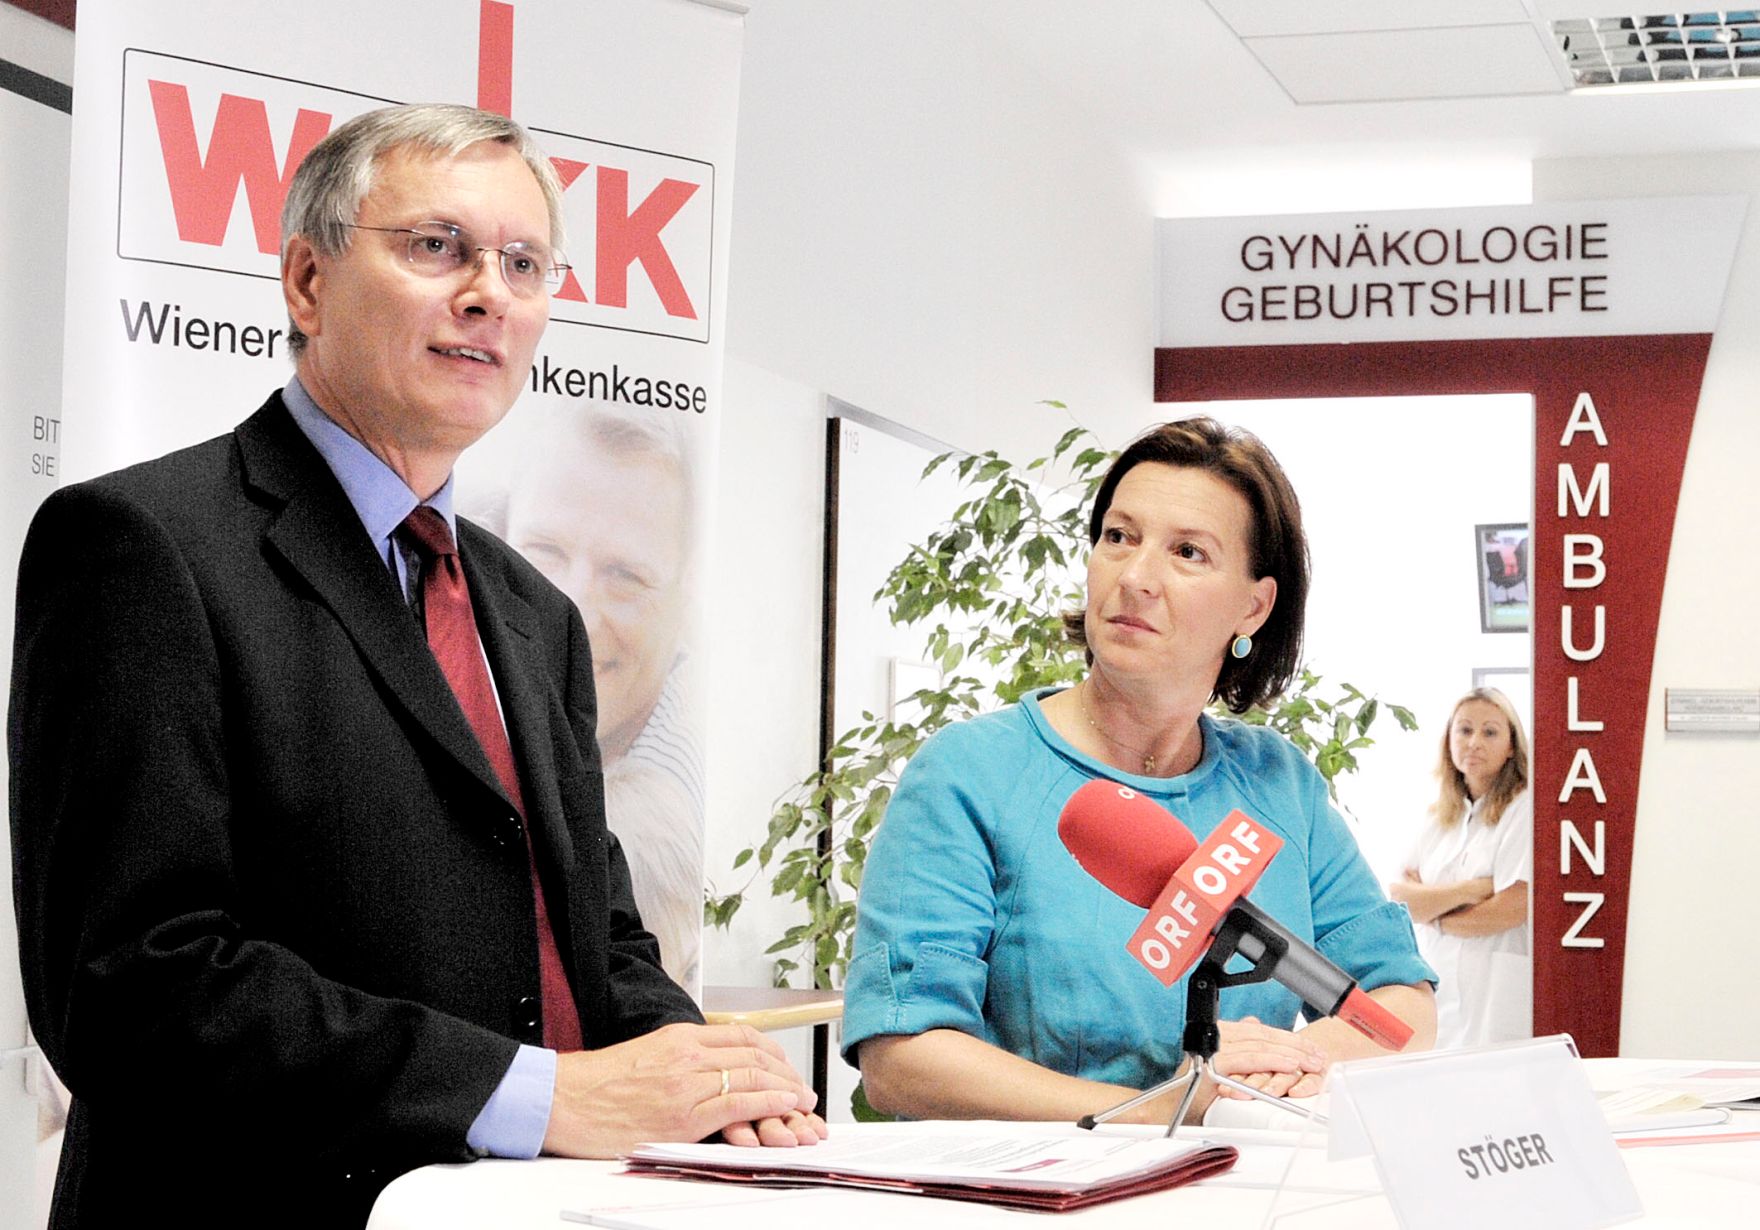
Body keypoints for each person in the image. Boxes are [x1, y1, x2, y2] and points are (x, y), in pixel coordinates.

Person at [8, 104, 820, 1230]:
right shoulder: (141, 548)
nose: (488, 292)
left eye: (523, 263)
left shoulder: (535, 613)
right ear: (306, 281)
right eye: (437, 246)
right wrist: (533, 1095)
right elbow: (133, 986)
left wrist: (699, 1069)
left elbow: (594, 932)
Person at [842, 417, 1437, 1124]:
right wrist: (1175, 1107)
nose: (1136, 577)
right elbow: (902, 1059)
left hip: (1247, 1187)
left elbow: (1401, 1004)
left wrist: (1299, 1060)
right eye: (1119, 537)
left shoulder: (1280, 784)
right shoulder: (970, 773)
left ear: (1254, 606)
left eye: (1187, 552)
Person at [498, 408, 705, 989]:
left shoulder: (660, 798)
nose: (574, 611)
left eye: (625, 575)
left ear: (684, 601)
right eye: (543, 551)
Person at [1388, 688, 1533, 1050]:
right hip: (1442, 984)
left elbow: (1512, 908)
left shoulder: (1524, 807)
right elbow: (1400, 900)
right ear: (1449, 740)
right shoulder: (1438, 817)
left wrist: (1435, 915)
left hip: (1496, 993)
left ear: (1512, 745)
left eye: (1490, 732)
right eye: (1465, 730)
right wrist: (1472, 891)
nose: (1475, 743)